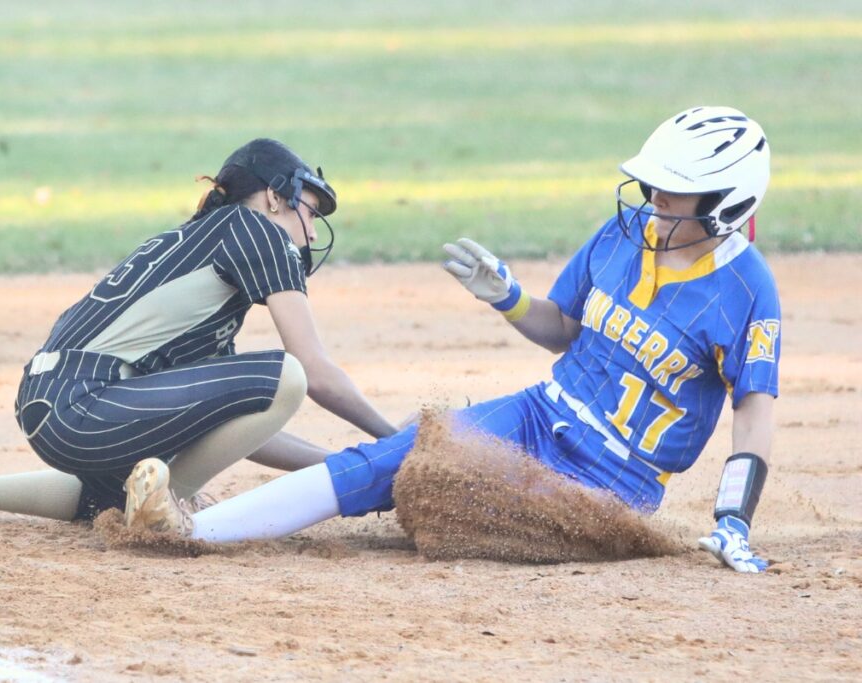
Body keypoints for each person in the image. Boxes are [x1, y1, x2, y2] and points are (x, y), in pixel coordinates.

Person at [122, 106, 779, 574]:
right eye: (655, 184)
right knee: (412, 453)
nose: (655, 199)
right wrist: (508, 296)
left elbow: (753, 415)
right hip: (537, 410)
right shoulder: (620, 236)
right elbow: (563, 330)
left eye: (677, 193)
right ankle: (190, 529)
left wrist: (734, 520)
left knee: (459, 496)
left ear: (726, 201)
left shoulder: (747, 292)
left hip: (614, 479)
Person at [0, 138, 398, 528]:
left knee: (109, 498)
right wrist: (396, 444)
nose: (311, 233)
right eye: (307, 212)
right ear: (271, 197)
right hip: (90, 402)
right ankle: (166, 506)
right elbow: (312, 371)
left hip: (54, 404)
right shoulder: (257, 232)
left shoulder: (203, 243)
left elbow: (243, 425)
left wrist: (344, 467)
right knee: (288, 374)